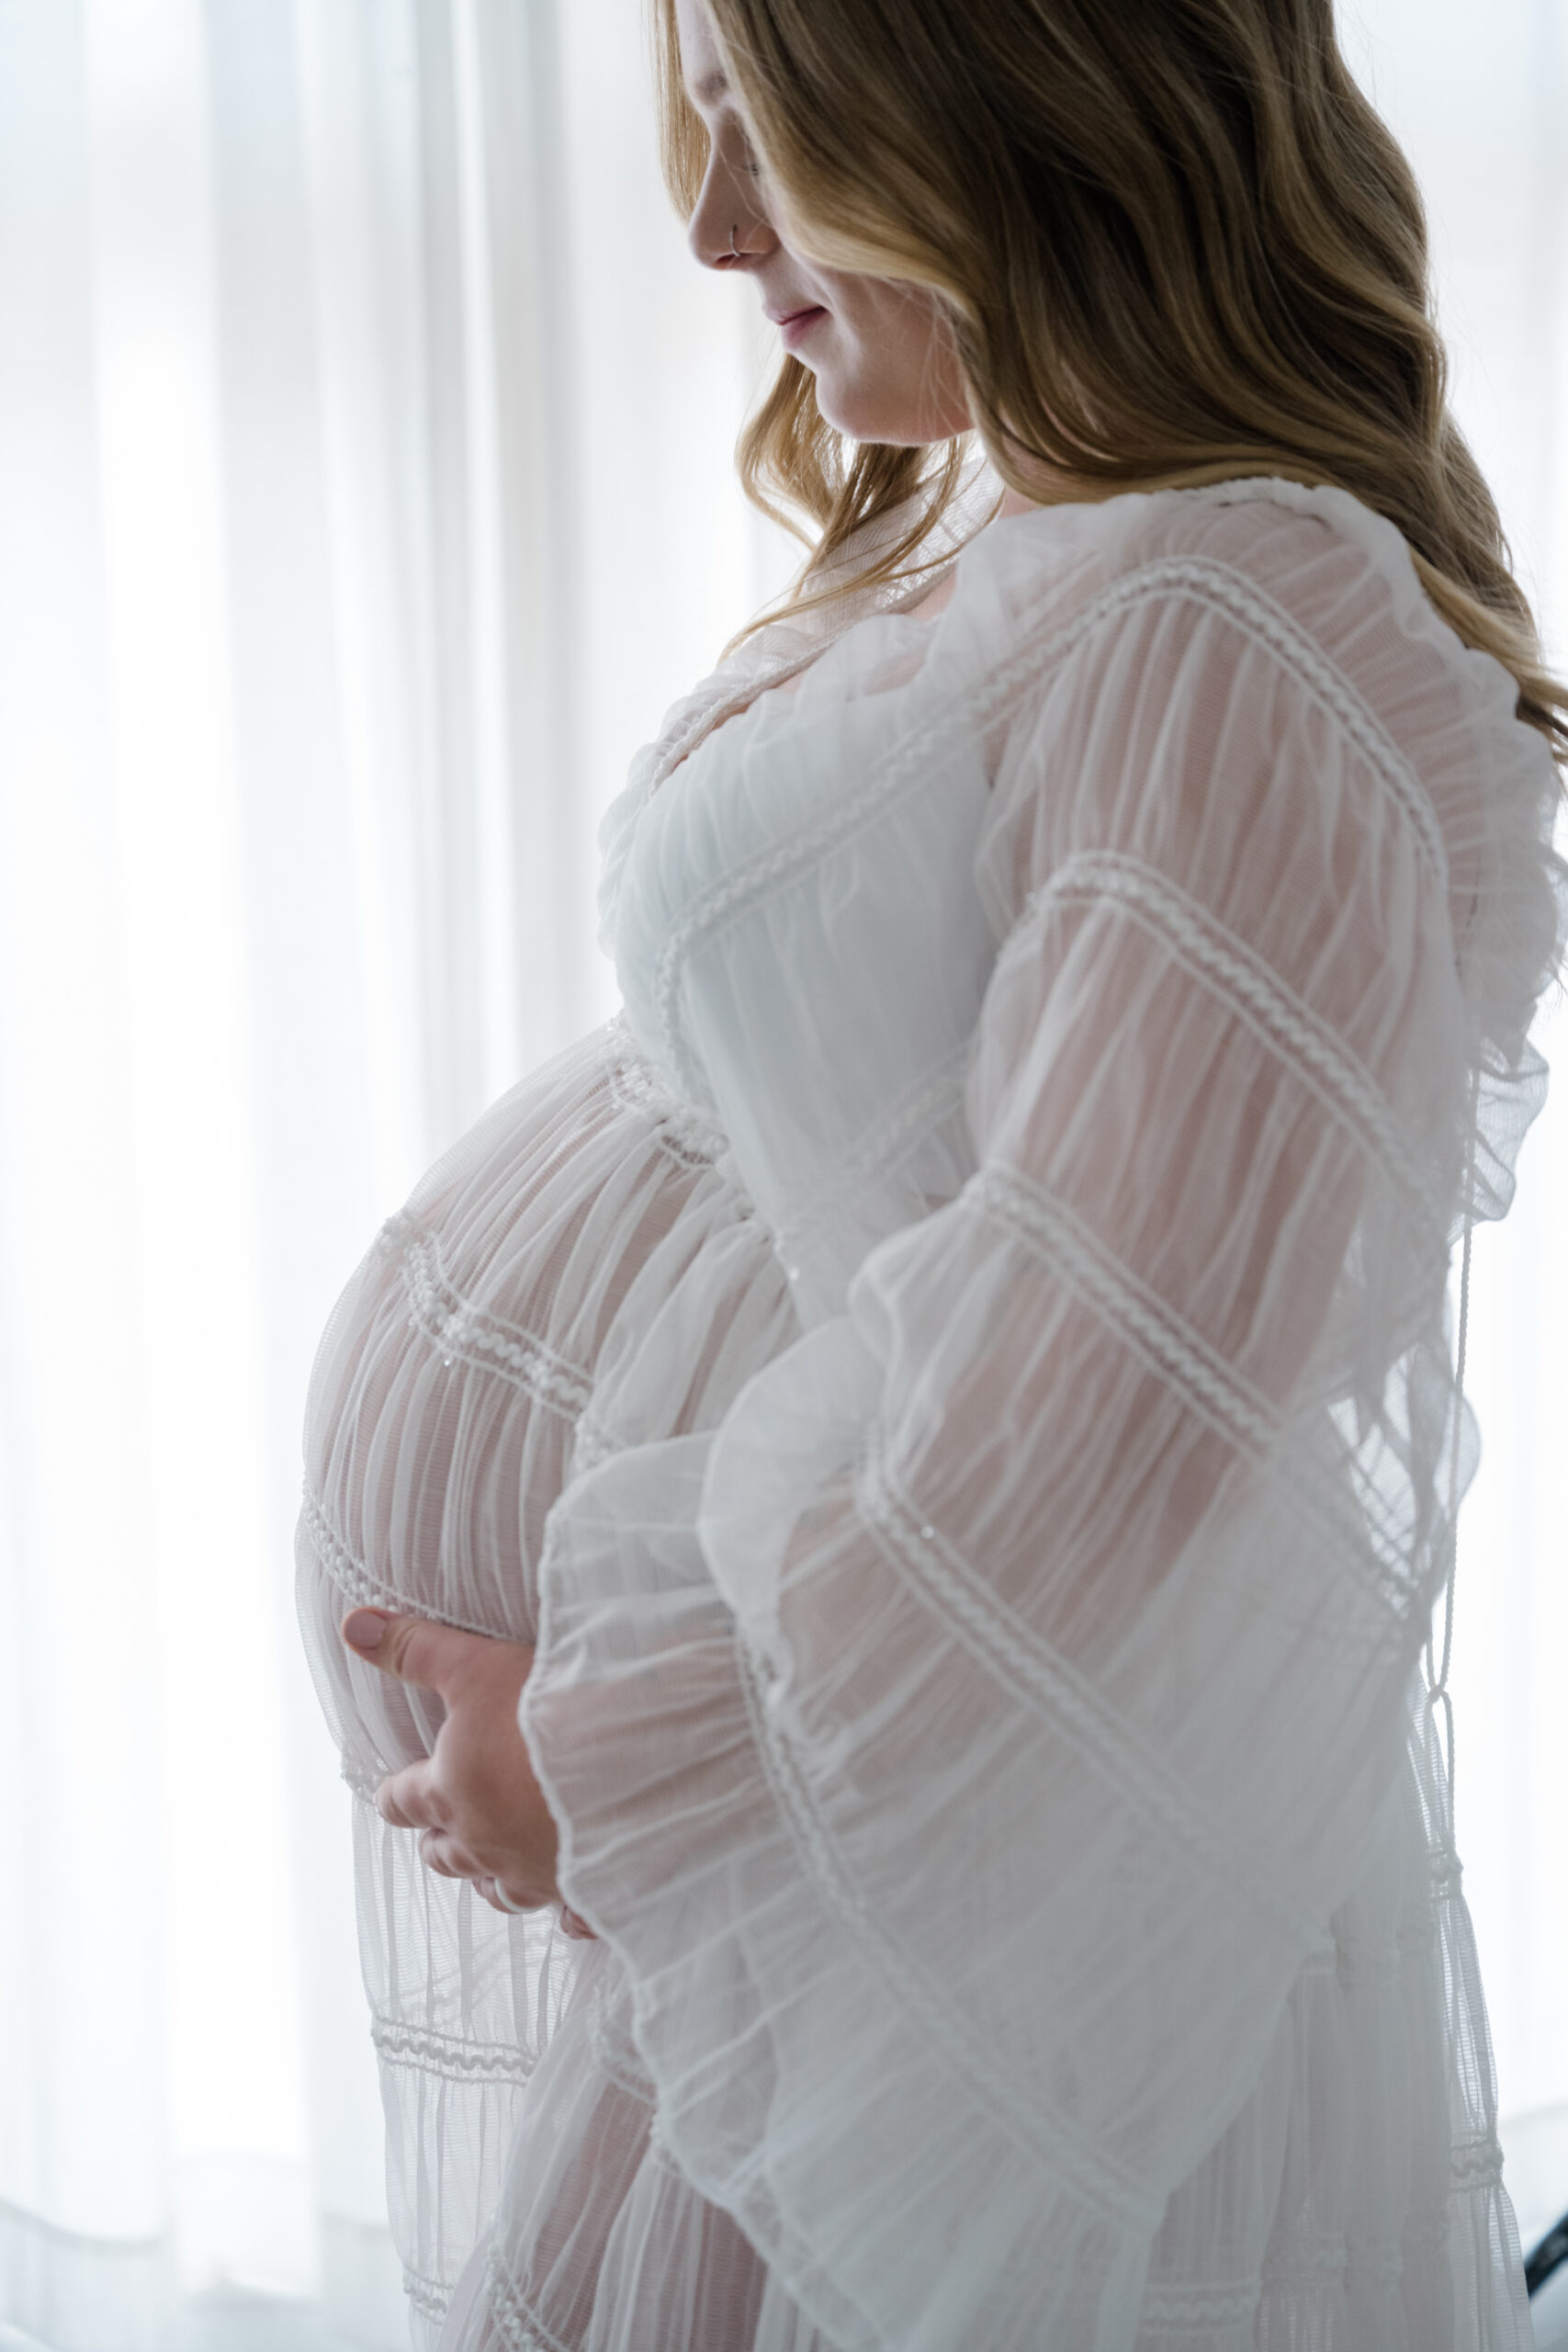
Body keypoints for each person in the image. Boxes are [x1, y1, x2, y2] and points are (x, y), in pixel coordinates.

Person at [296, 0, 1568, 2344]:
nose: (705, 226)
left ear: (1010, 81)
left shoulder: (1233, 620)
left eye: (757, 122)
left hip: (911, 1912)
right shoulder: (1064, 533)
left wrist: (614, 1750)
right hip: (793, 1925)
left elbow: (1103, 1390)